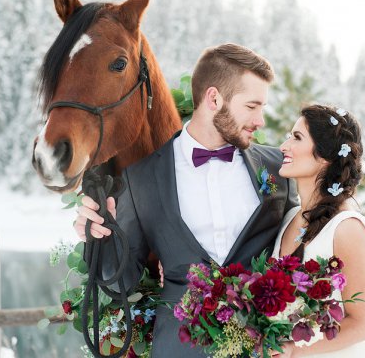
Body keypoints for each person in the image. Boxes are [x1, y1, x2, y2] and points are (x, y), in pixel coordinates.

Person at [74, 43, 299, 358]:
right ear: (213, 98)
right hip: (179, 348)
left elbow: (301, 249)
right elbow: (119, 282)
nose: (260, 120)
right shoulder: (141, 179)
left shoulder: (280, 168)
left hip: (265, 347)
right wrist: (98, 235)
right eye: (252, 106)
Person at [270, 104, 365, 357]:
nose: (284, 146)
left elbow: (362, 323)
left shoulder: (346, 228)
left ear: (325, 156)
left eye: (296, 137)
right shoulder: (290, 217)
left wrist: (295, 351)